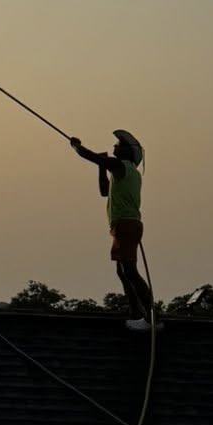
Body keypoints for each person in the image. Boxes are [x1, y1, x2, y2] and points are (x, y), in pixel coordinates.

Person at [69, 129, 153, 331]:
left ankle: (151, 316)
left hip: (125, 225)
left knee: (130, 271)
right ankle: (136, 313)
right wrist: (101, 166)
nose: (115, 146)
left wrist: (76, 146)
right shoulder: (124, 170)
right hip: (124, 225)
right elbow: (104, 191)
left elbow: (88, 156)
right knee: (123, 271)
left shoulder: (122, 165)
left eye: (119, 145)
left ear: (127, 153)